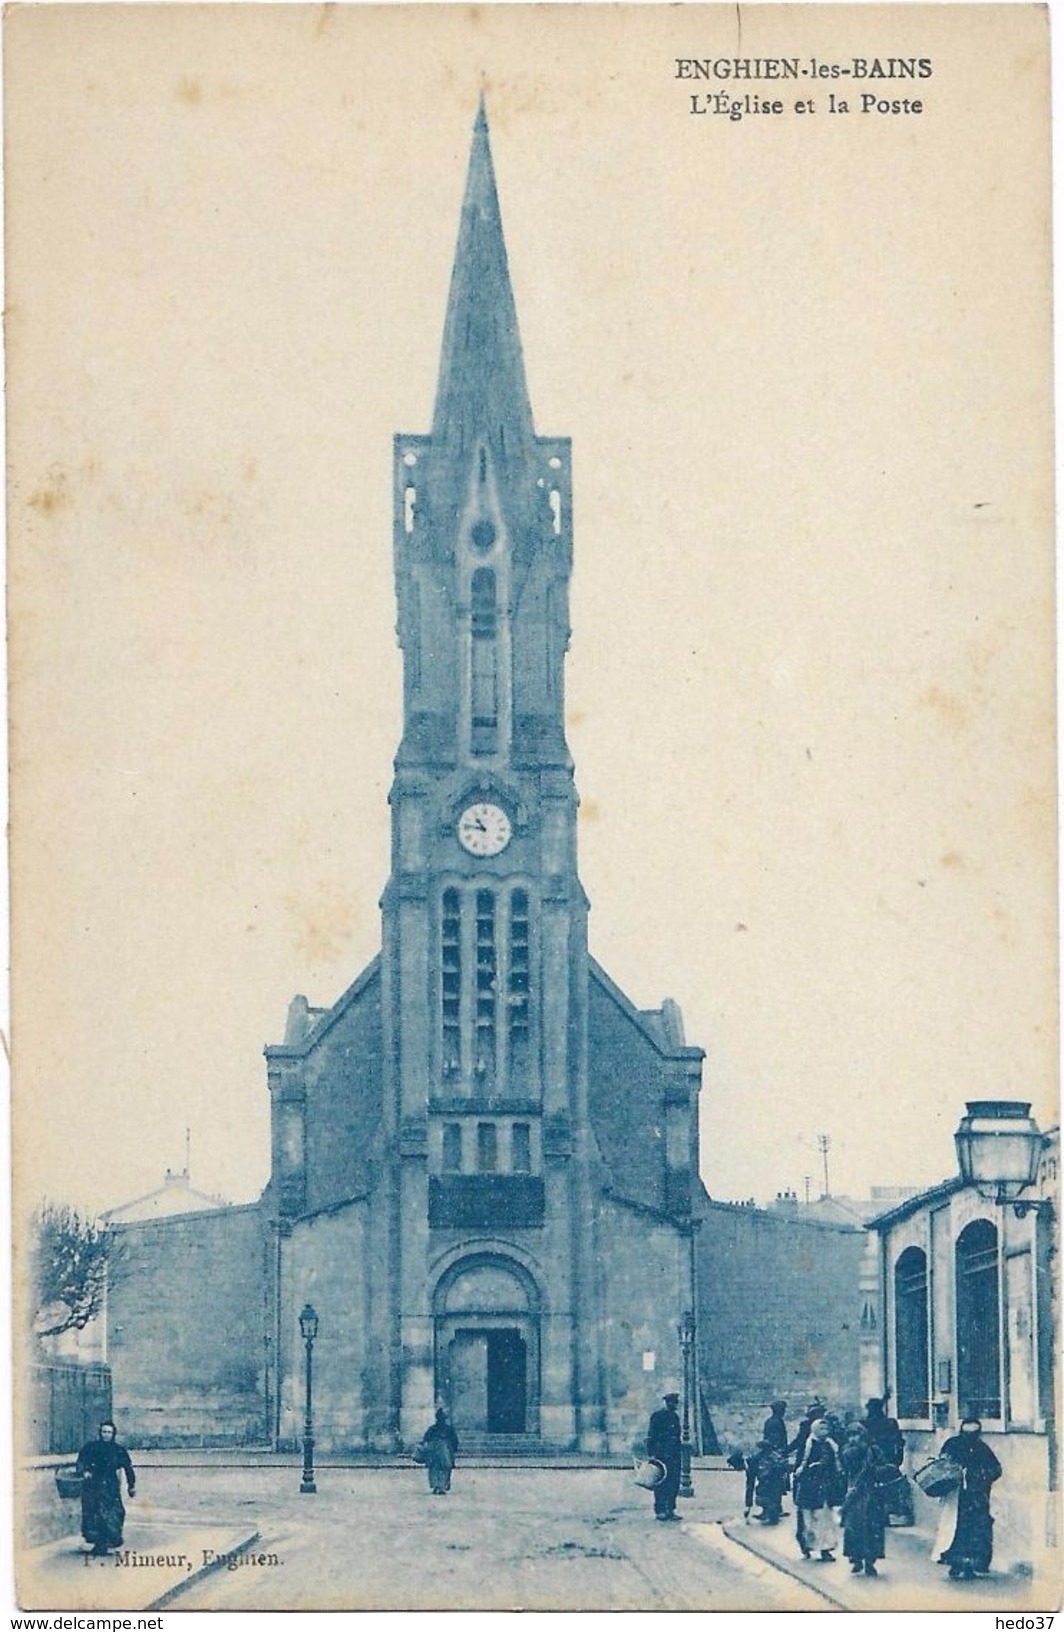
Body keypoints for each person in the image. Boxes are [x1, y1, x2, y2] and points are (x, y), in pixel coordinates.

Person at [936, 1418, 1002, 1580]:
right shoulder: (952, 1445)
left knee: (975, 1532)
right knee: (955, 1530)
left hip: (976, 1497)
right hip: (957, 1497)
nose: (970, 1438)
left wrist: (983, 1477)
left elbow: (996, 1469)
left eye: (973, 1434)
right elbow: (941, 1464)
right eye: (967, 1433)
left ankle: (970, 1565)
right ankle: (955, 1563)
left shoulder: (982, 1448)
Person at [75, 1421, 135, 1556]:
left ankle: (108, 1540)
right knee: (94, 1512)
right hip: (93, 1485)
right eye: (104, 1432)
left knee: (113, 1513)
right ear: (100, 1433)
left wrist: (131, 1486)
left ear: (113, 1434)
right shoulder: (91, 1447)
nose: (106, 1435)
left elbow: (128, 1468)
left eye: (109, 1432)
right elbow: (81, 1461)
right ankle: (99, 1543)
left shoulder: (118, 1450)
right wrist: (84, 1471)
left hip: (110, 1486)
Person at [840, 1423, 888, 1577]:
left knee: (872, 1527)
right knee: (853, 1527)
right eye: (850, 1435)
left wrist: (875, 1468)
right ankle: (856, 1558)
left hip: (872, 1493)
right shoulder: (848, 1451)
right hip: (855, 1493)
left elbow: (884, 1467)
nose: (853, 1439)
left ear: (863, 1435)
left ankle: (870, 1561)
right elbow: (848, 1467)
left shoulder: (874, 1450)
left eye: (856, 1435)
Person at [793, 1417, 841, 1562]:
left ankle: (825, 1550)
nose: (824, 1432)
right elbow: (799, 1468)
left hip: (825, 1488)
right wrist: (812, 1468)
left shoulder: (831, 1445)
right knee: (808, 1520)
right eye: (821, 1429)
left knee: (825, 1521)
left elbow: (836, 1466)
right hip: (809, 1488)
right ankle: (806, 1546)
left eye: (826, 1429)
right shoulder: (808, 1445)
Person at [646, 1392, 682, 1521]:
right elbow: (651, 1436)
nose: (675, 1405)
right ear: (667, 1403)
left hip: (674, 1455)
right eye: (672, 1403)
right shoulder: (657, 1416)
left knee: (674, 1483)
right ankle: (660, 1510)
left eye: (676, 1403)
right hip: (661, 1455)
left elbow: (677, 1436)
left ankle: (671, 1510)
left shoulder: (675, 1417)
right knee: (661, 1484)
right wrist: (651, 1454)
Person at [744, 1440, 789, 1525]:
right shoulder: (777, 1457)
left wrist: (748, 1506)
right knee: (772, 1490)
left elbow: (750, 1484)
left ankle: (771, 1510)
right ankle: (773, 1509)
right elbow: (784, 1472)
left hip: (767, 1489)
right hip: (777, 1489)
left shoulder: (755, 1459)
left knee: (762, 1497)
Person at [419, 1407, 459, 1495]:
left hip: (435, 1451)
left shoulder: (432, 1429)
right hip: (444, 1450)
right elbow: (454, 1441)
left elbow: (426, 1439)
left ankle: (437, 1486)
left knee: (435, 1468)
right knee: (444, 1468)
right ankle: (441, 1486)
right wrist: (453, 1449)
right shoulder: (448, 1429)